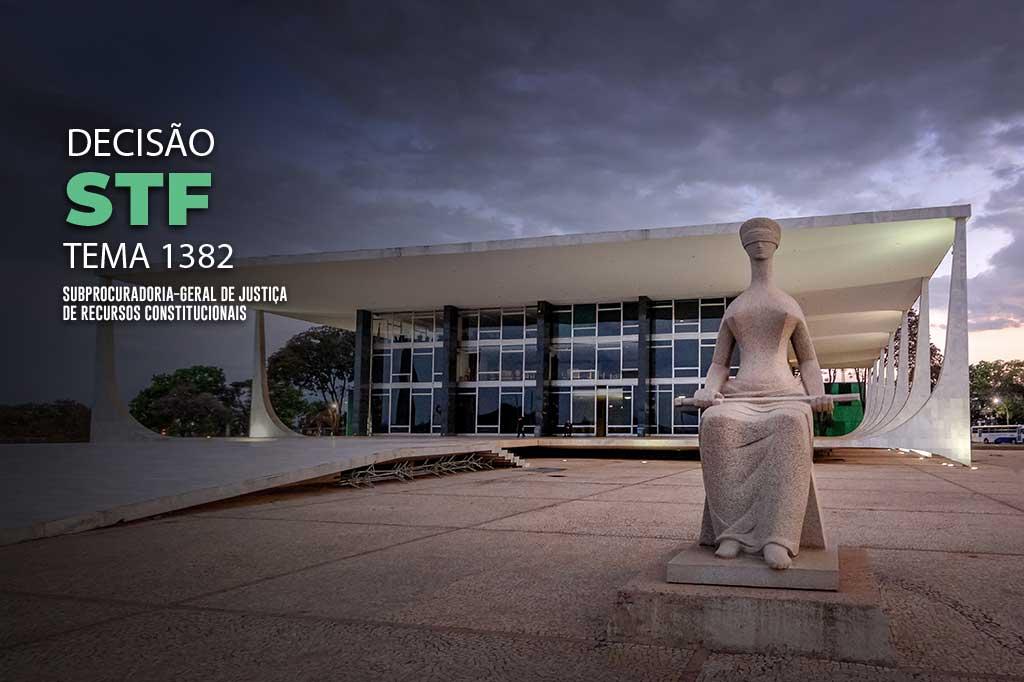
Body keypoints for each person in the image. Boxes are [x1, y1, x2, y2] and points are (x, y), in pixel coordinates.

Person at [687, 217, 833, 570]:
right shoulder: (736, 308)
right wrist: (709, 390)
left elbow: (809, 360)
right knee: (716, 423)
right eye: (752, 240)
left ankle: (778, 537)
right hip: (741, 396)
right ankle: (732, 532)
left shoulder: (788, 304)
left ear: (776, 245)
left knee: (790, 424)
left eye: (765, 239)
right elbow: (719, 363)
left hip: (785, 394)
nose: (760, 245)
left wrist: (817, 393)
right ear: (745, 247)